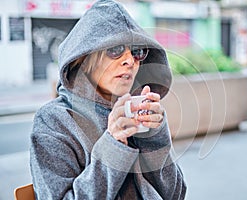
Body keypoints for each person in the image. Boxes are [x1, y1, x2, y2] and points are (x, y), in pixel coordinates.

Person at [30, 0, 187, 199]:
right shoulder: (54, 121)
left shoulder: (136, 111)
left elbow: (175, 195)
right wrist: (113, 145)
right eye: (115, 49)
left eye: (137, 51)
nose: (130, 60)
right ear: (84, 59)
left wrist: (155, 137)